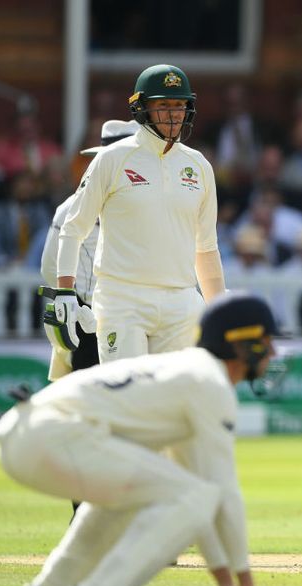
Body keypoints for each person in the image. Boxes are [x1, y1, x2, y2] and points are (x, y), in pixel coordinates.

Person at [0, 293, 277, 586]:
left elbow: (197, 494)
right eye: (267, 342)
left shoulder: (188, 374)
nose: (274, 353)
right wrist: (243, 579)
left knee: (135, 499)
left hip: (26, 431)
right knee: (191, 495)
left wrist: (224, 579)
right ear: (241, 344)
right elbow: (222, 493)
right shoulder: (209, 383)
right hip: (54, 435)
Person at [52, 64, 225, 365]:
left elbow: (206, 249)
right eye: (164, 105)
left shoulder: (199, 166)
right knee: (126, 398)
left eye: (180, 105)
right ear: (142, 108)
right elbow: (73, 227)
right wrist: (64, 291)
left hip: (181, 300)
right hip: (123, 298)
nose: (174, 114)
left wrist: (222, 311)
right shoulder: (112, 159)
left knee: (174, 402)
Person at [39, 119, 142, 381]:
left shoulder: (150, 206)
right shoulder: (72, 207)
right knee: (90, 396)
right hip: (90, 321)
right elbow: (51, 268)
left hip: (141, 317)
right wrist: (76, 302)